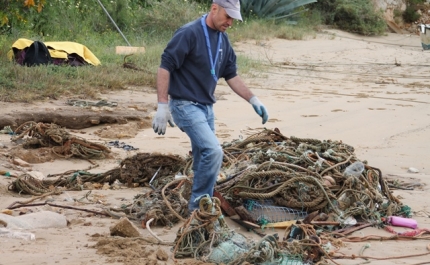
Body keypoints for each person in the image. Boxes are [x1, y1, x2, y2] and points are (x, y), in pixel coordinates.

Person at [152, 0, 268, 213]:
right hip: (185, 105)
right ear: (214, 8)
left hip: (206, 108)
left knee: (202, 158)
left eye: (234, 18)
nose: (230, 22)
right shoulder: (189, 33)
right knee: (214, 151)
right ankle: (198, 208)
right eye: (228, 16)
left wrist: (253, 99)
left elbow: (231, 75)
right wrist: (162, 105)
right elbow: (165, 66)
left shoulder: (223, 39)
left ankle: (195, 194)